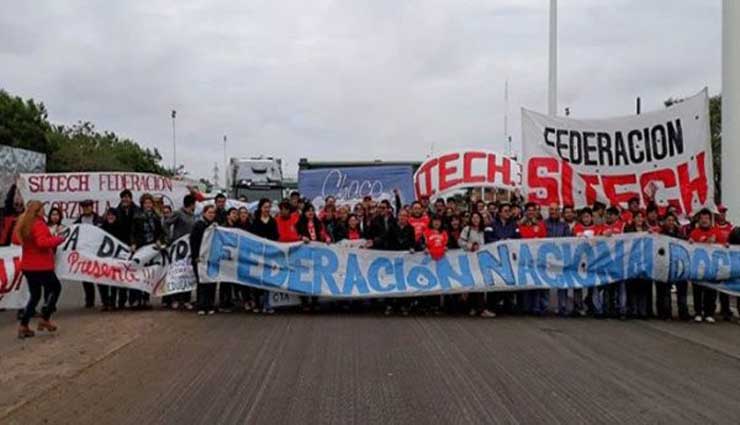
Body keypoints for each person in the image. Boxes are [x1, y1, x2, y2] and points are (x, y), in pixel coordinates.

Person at [12, 201, 65, 338]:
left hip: (28, 266)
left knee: (35, 296)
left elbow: (16, 240)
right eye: (42, 208)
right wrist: (58, 239)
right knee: (56, 288)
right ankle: (45, 318)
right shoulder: (39, 224)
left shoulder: (24, 223)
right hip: (41, 266)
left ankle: (24, 325)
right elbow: (42, 243)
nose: (44, 211)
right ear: (38, 211)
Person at [131, 193, 165, 310]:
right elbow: (133, 232)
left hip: (151, 248)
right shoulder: (137, 216)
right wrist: (133, 243)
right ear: (142, 204)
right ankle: (136, 299)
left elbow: (160, 232)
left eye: (150, 203)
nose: (148, 205)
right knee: (138, 273)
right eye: (146, 203)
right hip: (141, 248)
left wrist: (159, 240)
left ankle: (145, 299)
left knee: (148, 273)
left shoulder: (156, 217)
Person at [163, 194, 197, 310]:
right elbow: (166, 223)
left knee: (187, 274)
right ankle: (175, 299)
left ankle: (186, 299)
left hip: (189, 248)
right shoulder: (178, 213)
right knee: (177, 274)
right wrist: (170, 237)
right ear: (192, 204)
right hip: (178, 249)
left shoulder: (193, 215)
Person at [458, 212, 494, 317]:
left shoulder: (484, 230)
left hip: (482, 261)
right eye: (473, 217)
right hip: (470, 260)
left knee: (480, 283)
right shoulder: (467, 229)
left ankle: (478, 308)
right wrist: (470, 246)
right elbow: (460, 241)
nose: (475, 219)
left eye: (477, 217)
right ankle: (476, 308)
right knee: (473, 283)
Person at [688, 208, 719, 323]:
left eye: (707, 218)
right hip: (698, 267)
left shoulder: (716, 232)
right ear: (699, 220)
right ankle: (698, 312)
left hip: (712, 268)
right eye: (702, 218)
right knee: (698, 291)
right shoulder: (694, 233)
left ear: (710, 220)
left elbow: (724, 247)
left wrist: (722, 244)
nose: (704, 221)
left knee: (711, 291)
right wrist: (690, 243)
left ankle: (709, 313)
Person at [249, 198, 279, 313]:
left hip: (269, 254)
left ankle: (267, 303)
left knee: (267, 279)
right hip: (257, 253)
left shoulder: (272, 221)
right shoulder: (255, 221)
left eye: (268, 207)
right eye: (265, 207)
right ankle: (257, 303)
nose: (267, 209)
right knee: (256, 279)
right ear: (260, 208)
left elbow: (276, 236)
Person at [74, 199, 105, 309]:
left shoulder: (100, 220)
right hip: (84, 252)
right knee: (86, 277)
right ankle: (89, 300)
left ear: (92, 207)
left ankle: (104, 300)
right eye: (85, 207)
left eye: (88, 206)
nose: (87, 209)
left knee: (100, 276)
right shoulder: (78, 222)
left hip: (97, 252)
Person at [519, 202, 548, 316]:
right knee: (526, 282)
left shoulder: (541, 225)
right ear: (525, 212)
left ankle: (536, 307)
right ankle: (526, 307)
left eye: (533, 210)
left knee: (536, 282)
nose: (531, 212)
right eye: (529, 210)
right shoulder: (520, 225)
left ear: (536, 212)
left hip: (537, 258)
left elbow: (544, 239)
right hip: (524, 258)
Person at [545, 203, 573, 317]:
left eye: (556, 210)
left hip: (561, 257)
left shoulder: (564, 225)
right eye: (551, 209)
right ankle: (545, 306)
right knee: (545, 282)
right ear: (548, 211)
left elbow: (569, 240)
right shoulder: (544, 224)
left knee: (562, 283)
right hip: (547, 257)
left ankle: (562, 306)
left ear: (559, 211)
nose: (554, 212)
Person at [660, 213, 689, 320]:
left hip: (679, 267)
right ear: (664, 222)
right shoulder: (661, 235)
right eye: (669, 220)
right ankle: (667, 313)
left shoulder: (680, 235)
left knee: (682, 291)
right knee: (666, 292)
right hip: (666, 267)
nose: (671, 222)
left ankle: (683, 312)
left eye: (673, 220)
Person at [572, 208, 600, 316]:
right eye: (584, 217)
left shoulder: (598, 229)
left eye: (588, 216)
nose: (586, 219)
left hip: (593, 260)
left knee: (593, 283)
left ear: (591, 217)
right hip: (579, 260)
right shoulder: (576, 228)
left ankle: (592, 305)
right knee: (578, 283)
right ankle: (577, 306)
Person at [191, 205, 217, 316]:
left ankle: (210, 305)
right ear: (204, 213)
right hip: (200, 259)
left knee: (211, 283)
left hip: (211, 259)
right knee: (202, 283)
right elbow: (194, 242)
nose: (211, 215)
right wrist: (195, 256)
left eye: (213, 213)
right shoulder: (199, 225)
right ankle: (201, 305)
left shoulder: (215, 227)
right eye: (209, 212)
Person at [601, 207, 627, 319]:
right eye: (607, 214)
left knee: (621, 288)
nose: (609, 216)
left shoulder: (623, 226)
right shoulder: (602, 227)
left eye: (611, 214)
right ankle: (607, 309)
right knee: (607, 288)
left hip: (620, 262)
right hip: (606, 263)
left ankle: (621, 310)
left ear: (617, 216)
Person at [115, 189, 139, 309]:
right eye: (123, 197)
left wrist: (135, 242)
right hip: (120, 245)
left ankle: (134, 299)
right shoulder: (116, 211)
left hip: (134, 245)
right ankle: (122, 300)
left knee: (134, 272)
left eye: (127, 197)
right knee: (122, 273)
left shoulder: (137, 210)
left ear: (131, 198)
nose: (125, 199)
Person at [624, 212, 650, 319]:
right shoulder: (628, 229)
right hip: (632, 261)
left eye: (641, 217)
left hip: (645, 262)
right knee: (632, 287)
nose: (640, 219)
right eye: (637, 217)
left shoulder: (647, 231)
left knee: (643, 287)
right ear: (633, 219)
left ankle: (642, 311)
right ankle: (633, 310)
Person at [100, 208, 126, 310]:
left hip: (118, 259)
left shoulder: (121, 228)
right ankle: (106, 302)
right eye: (108, 215)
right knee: (104, 281)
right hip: (105, 259)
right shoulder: (102, 228)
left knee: (119, 281)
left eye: (112, 215)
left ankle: (120, 302)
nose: (110, 217)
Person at [714, 205, 735, 321]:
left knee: (726, 285)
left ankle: (726, 308)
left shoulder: (730, 227)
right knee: (715, 285)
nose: (722, 214)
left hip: (728, 260)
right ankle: (713, 308)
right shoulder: (713, 227)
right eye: (720, 212)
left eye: (724, 212)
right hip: (716, 260)